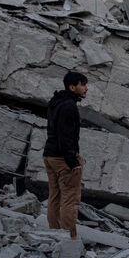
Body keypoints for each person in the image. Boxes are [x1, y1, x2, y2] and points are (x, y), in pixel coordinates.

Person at [44, 71, 88, 239]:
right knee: (70, 199)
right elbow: (66, 137)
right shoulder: (69, 106)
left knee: (54, 196)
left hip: (49, 155)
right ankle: (69, 240)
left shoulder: (56, 102)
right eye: (82, 85)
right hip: (63, 159)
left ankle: (53, 236)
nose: (86, 88)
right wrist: (73, 162)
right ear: (72, 87)